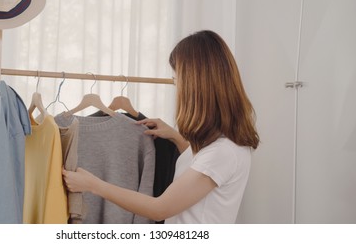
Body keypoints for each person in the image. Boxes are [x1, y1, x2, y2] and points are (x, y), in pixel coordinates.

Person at [62, 30, 259, 224]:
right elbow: (198, 167)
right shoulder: (221, 144)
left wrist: (94, 185)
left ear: (196, 86)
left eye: (177, 80)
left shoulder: (222, 153)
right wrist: (176, 138)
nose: (177, 87)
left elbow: (159, 209)